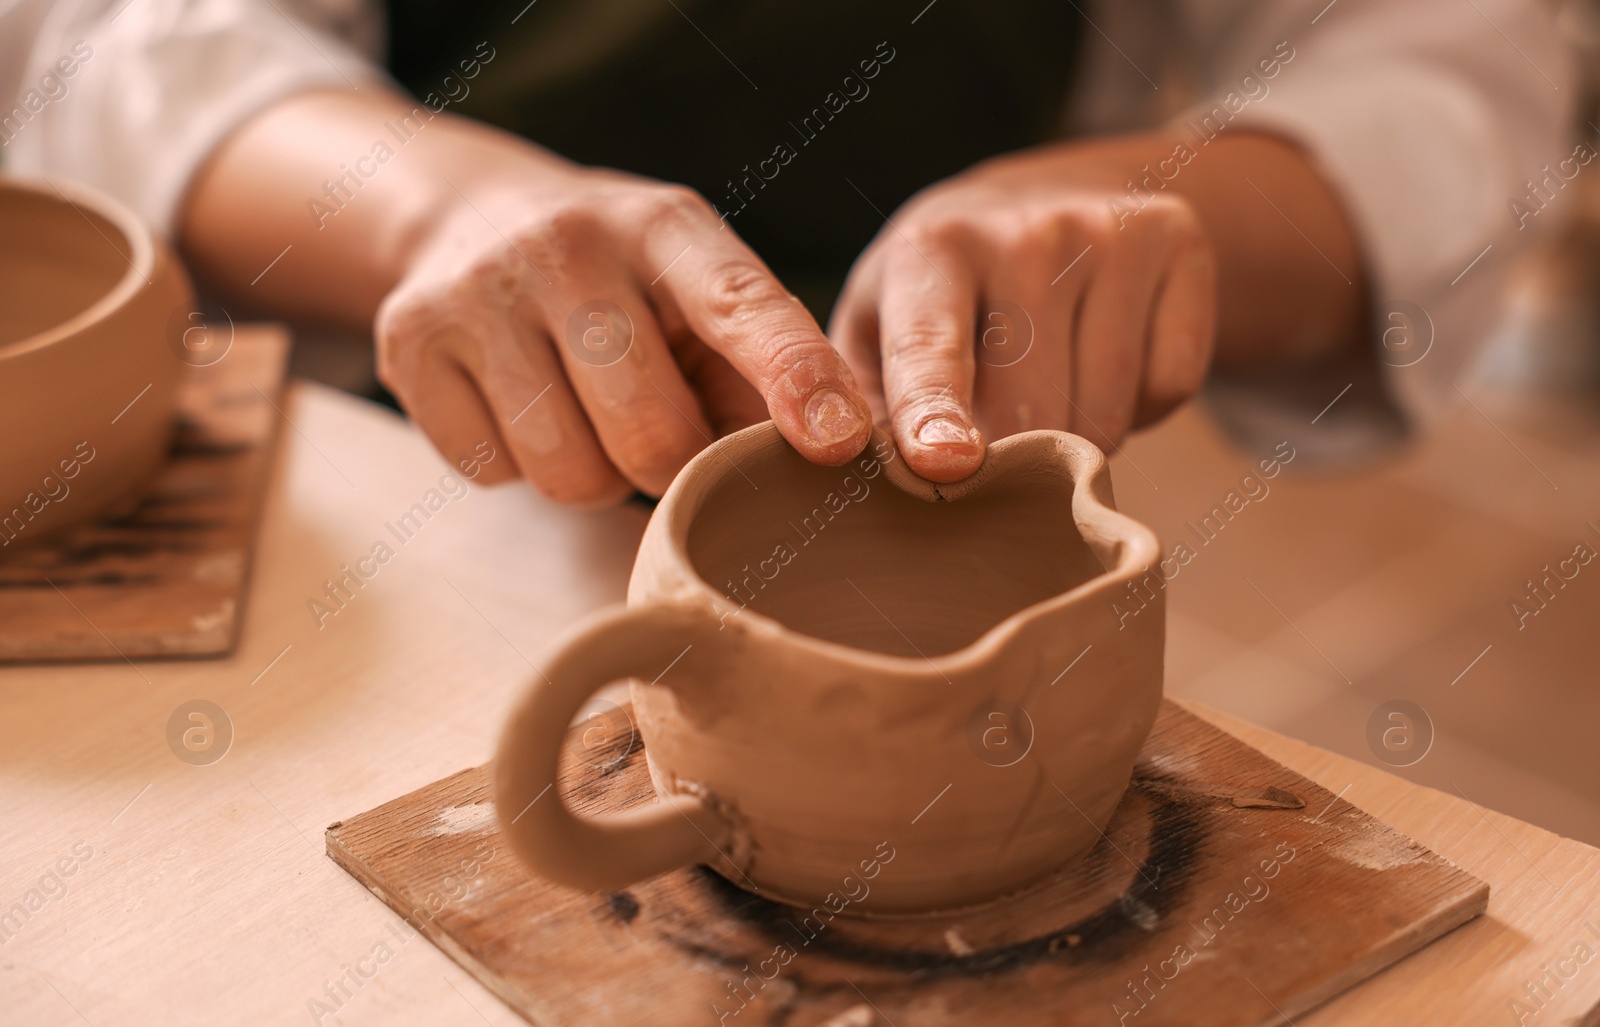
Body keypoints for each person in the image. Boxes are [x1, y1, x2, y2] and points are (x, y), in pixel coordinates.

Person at [0, 0, 1576, 504]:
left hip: (964, 430)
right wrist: (438, 207)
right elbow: (118, 35)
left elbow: (1438, 60)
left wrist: (1169, 210)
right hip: (406, 460)